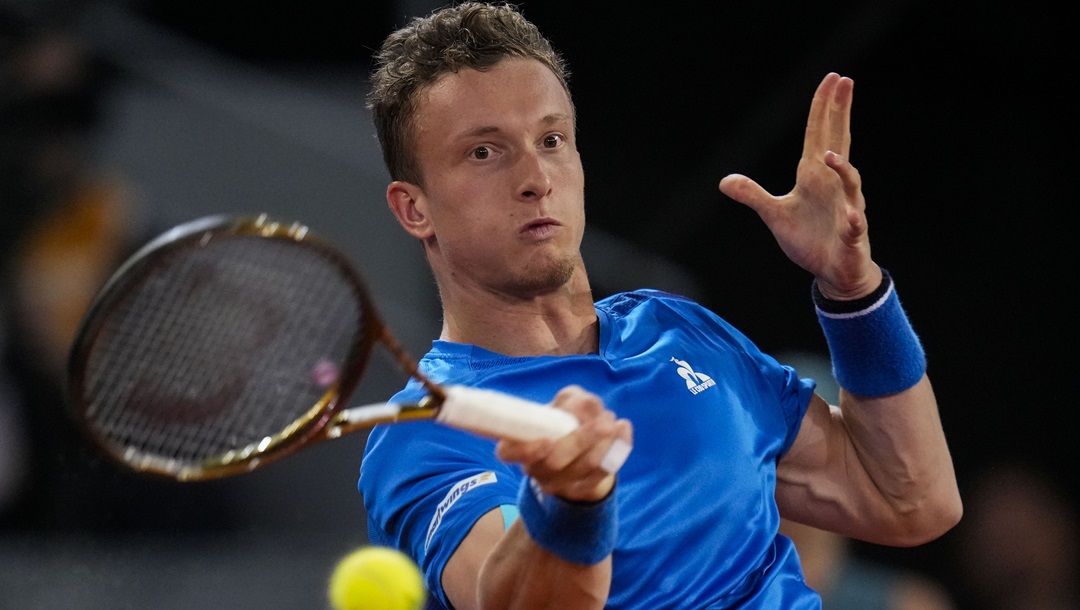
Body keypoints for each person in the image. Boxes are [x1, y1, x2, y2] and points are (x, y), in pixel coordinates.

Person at [358, 3, 962, 609]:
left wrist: (854, 294)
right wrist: (569, 503)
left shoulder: (680, 332)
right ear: (414, 208)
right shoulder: (426, 431)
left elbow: (911, 501)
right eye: (484, 152)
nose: (536, 177)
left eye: (551, 140)